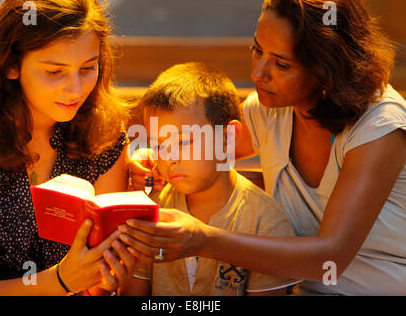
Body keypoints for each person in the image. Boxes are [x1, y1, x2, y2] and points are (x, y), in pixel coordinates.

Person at [124, 0, 406, 295]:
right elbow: (206, 149)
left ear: (326, 67)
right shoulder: (269, 109)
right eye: (257, 50)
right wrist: (150, 158)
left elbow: (330, 258)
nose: (258, 73)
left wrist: (205, 241)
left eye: (281, 64)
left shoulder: (379, 126)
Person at [0, 0, 137, 295]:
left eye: (88, 68)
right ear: (10, 65)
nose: (75, 90)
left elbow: (98, 282)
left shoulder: (104, 138)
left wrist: (106, 277)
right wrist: (62, 281)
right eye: (54, 72)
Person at [120, 62, 299, 296]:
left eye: (183, 142)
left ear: (227, 138)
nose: (169, 157)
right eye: (158, 145)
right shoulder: (153, 211)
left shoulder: (266, 225)